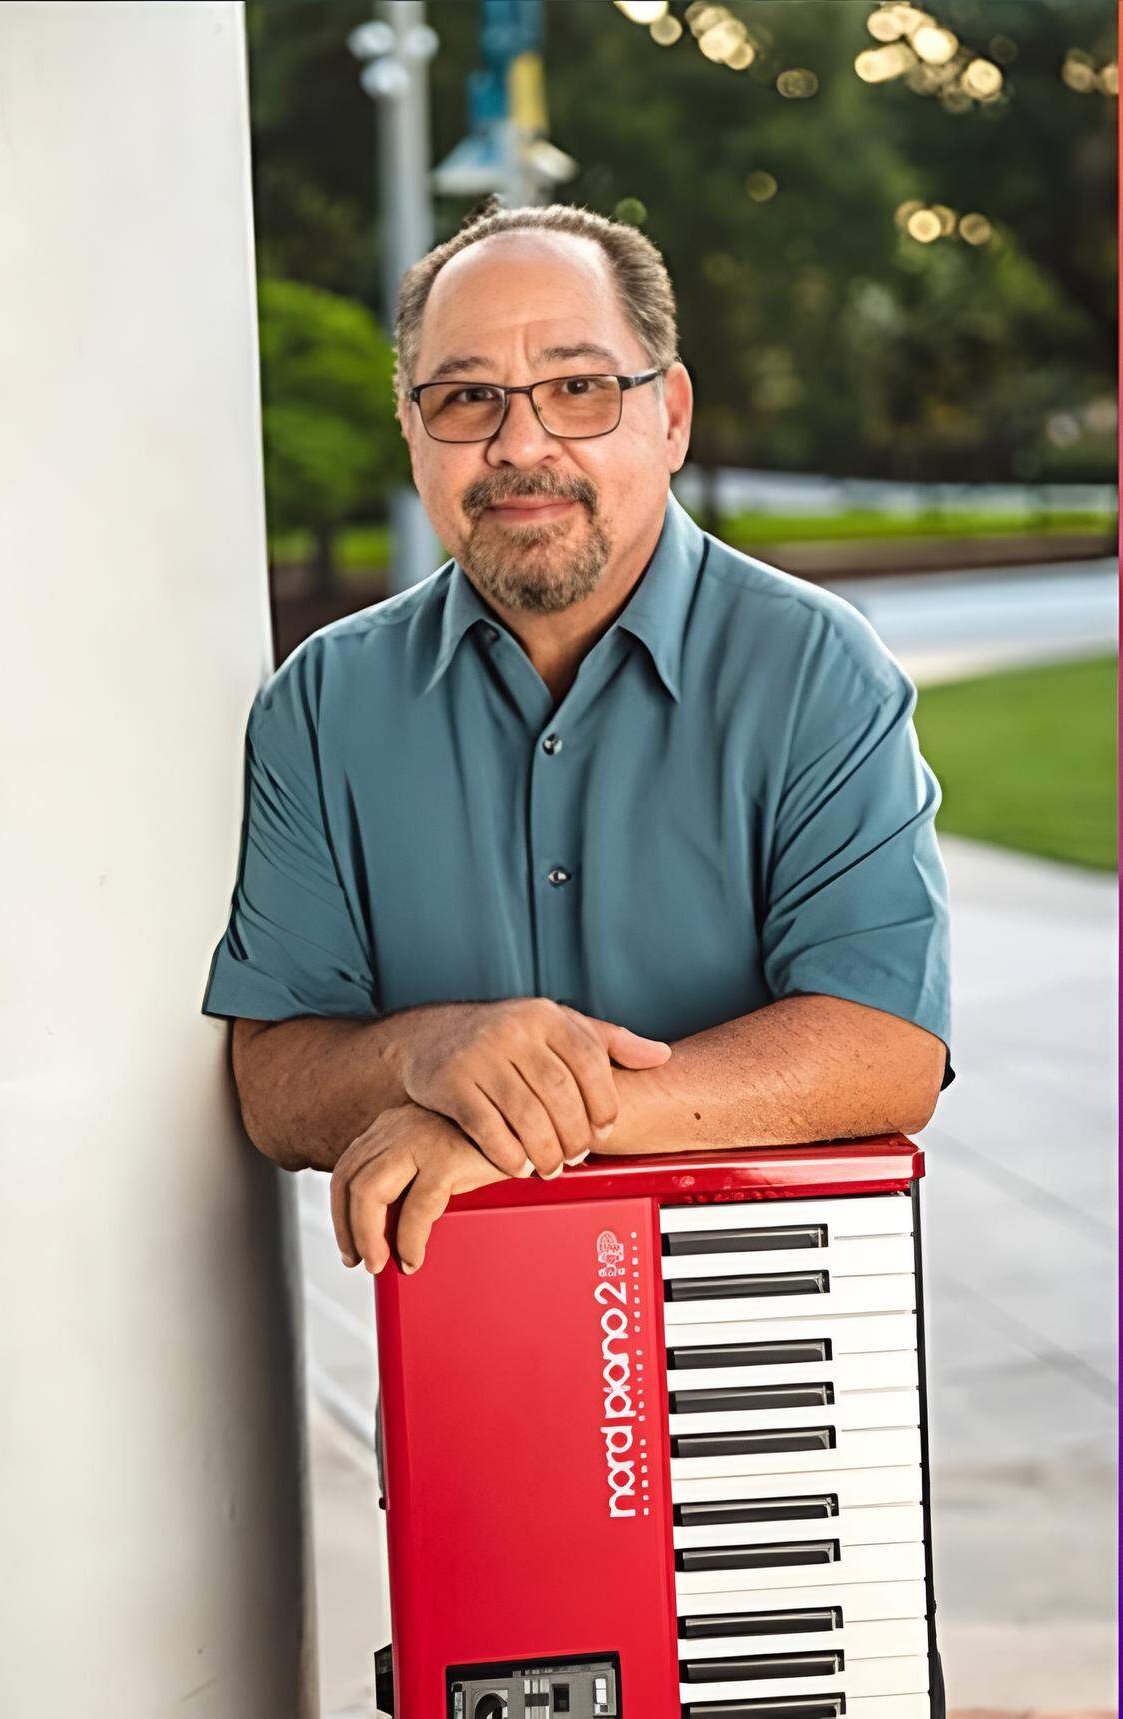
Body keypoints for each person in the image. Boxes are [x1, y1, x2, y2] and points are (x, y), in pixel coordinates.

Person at [201, 198, 953, 1282]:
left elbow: (886, 1047)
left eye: (578, 388)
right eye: (467, 397)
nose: (520, 444)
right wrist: (427, 1051)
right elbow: (274, 1084)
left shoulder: (817, 670)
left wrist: (510, 1129)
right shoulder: (321, 704)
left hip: (775, 1325)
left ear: (671, 415)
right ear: (411, 431)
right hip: (465, 1333)